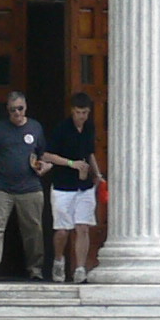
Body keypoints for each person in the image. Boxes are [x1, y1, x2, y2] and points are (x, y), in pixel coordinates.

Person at [0, 92, 52, 281]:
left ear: (26, 107)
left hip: (30, 188)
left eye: (20, 108)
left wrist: (45, 167)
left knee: (33, 230)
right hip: (2, 187)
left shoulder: (35, 127)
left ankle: (35, 269)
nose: (17, 113)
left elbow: (44, 155)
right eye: (12, 110)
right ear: (7, 110)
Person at [41, 92, 103, 284]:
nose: (81, 116)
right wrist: (71, 163)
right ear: (72, 111)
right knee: (62, 230)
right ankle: (58, 261)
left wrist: (97, 173)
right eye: (78, 112)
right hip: (63, 185)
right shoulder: (61, 129)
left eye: (85, 113)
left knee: (83, 227)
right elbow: (47, 155)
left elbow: (90, 153)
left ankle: (80, 269)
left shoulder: (89, 128)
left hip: (84, 185)